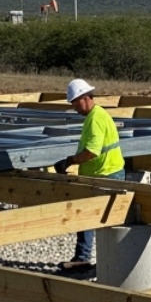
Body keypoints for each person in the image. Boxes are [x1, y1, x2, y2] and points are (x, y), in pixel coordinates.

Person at [53, 78, 127, 275]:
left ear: (85, 98)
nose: (74, 108)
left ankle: (112, 262)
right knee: (88, 216)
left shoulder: (96, 119)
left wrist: (70, 161)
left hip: (107, 175)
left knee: (107, 220)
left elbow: (92, 151)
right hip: (100, 173)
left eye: (75, 103)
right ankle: (84, 259)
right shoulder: (95, 116)